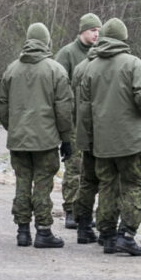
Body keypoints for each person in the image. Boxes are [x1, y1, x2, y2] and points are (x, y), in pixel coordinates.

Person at [0, 23, 75, 248]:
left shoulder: (11, 69)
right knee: (43, 184)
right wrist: (66, 138)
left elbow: (2, 105)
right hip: (46, 140)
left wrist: (12, 127)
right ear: (47, 42)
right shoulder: (55, 70)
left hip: (19, 139)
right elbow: (64, 109)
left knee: (22, 182)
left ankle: (22, 231)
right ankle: (43, 231)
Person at [77, 17, 141, 256]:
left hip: (101, 140)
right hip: (130, 140)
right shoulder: (134, 64)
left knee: (107, 186)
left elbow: (84, 109)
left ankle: (106, 234)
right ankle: (126, 234)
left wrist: (86, 140)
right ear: (124, 37)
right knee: (134, 185)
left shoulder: (90, 66)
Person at [56, 14, 101, 228]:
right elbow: (58, 86)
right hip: (73, 120)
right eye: (92, 30)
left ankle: (87, 210)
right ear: (82, 30)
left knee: (92, 169)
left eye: (98, 30)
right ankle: (70, 210)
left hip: (93, 121)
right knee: (74, 167)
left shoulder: (100, 54)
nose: (96, 34)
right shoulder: (67, 54)